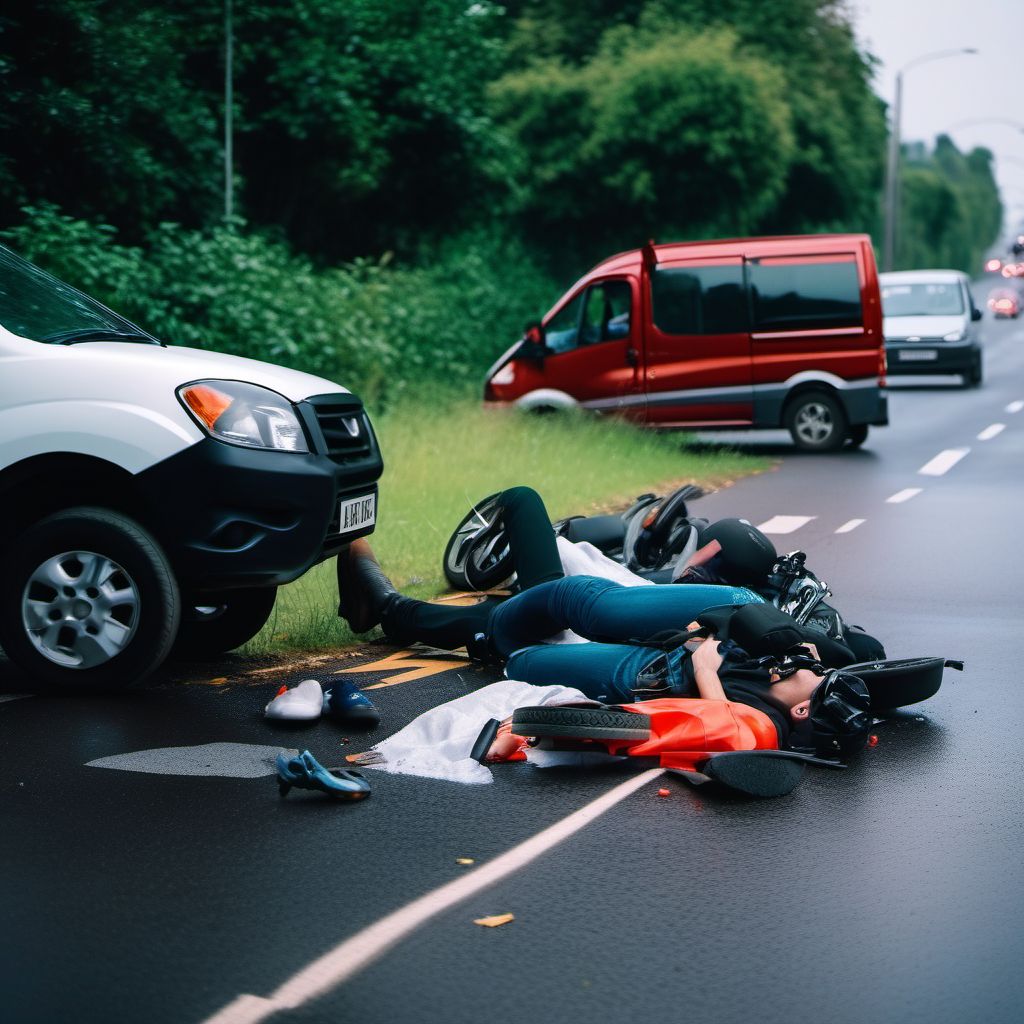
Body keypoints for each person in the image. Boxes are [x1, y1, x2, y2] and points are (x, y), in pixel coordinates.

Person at [337, 535, 873, 759]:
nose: (807, 664)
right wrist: (807, 645)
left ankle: (392, 610)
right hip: (723, 611)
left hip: (657, 670)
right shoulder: (816, 667)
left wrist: (706, 670)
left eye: (812, 676)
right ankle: (395, 609)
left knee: (518, 658)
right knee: (593, 605)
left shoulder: (765, 727)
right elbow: (835, 653)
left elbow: (716, 736)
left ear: (802, 708)